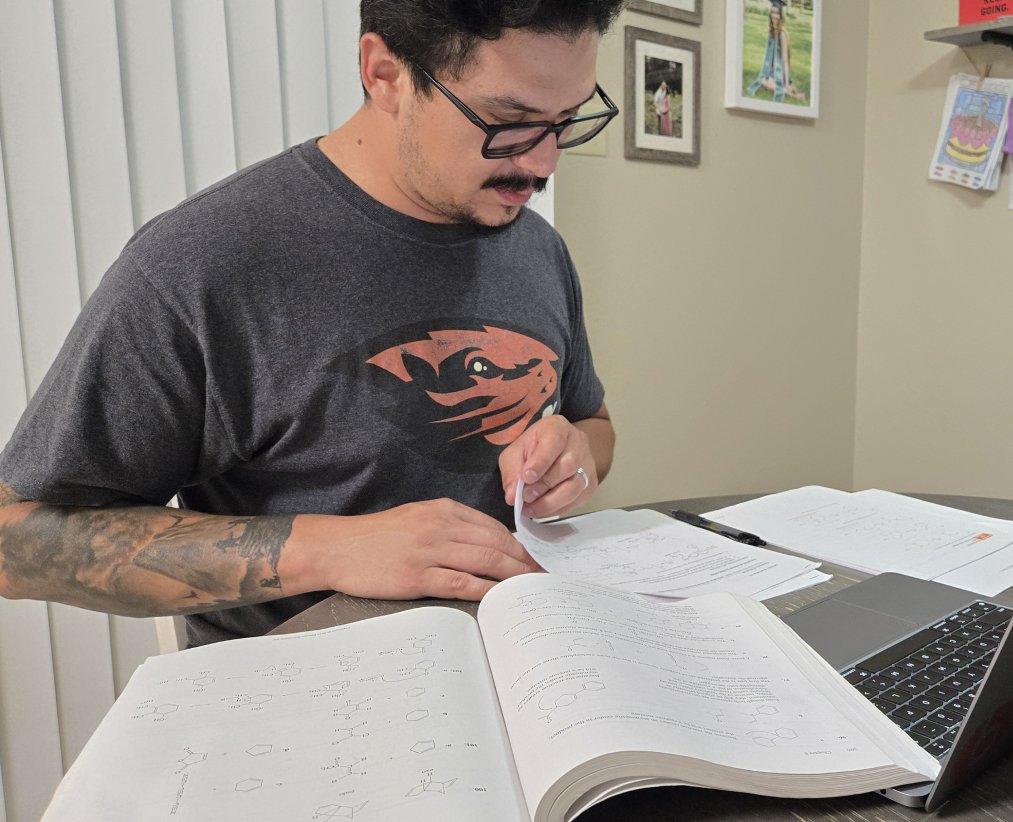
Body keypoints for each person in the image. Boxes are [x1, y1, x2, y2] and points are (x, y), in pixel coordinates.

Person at [0, 0, 625, 647]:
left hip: (524, 670)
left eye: (567, 119)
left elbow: (593, 423)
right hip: (303, 705)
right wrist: (329, 549)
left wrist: (576, 456)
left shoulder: (533, 245)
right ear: (384, 73)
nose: (544, 164)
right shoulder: (205, 263)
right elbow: (14, 543)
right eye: (508, 121)